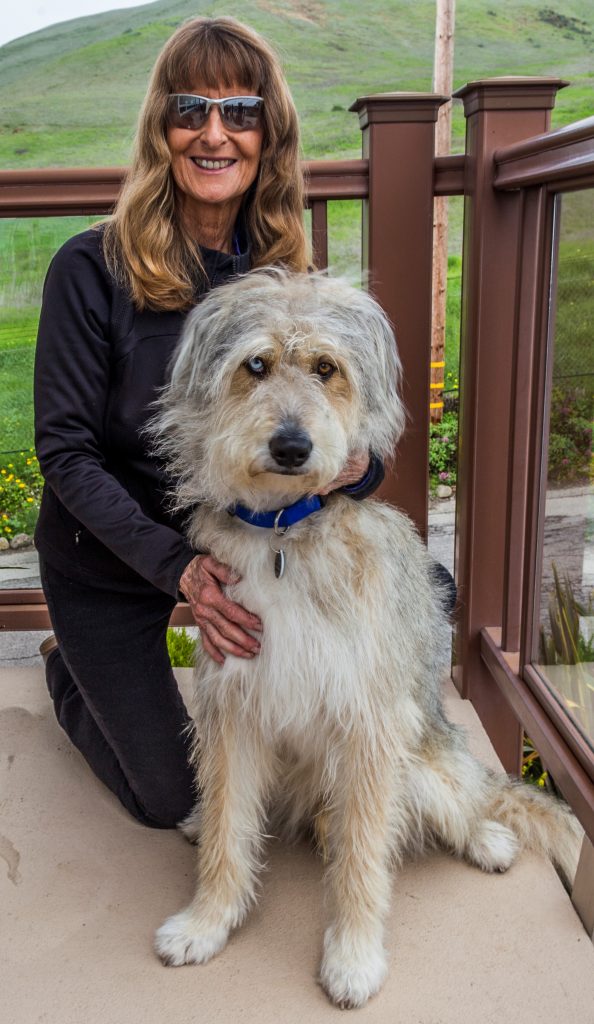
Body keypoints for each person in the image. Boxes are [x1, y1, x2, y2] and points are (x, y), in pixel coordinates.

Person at [34, 17, 387, 830]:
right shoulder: (89, 269)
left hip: (242, 557)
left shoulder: (280, 275)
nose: (214, 133)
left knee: (280, 776)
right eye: (191, 108)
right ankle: (69, 674)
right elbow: (65, 451)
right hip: (111, 564)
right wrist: (180, 570)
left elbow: (347, 420)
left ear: (270, 135)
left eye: (241, 111)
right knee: (177, 803)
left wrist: (357, 470)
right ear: (163, 126)